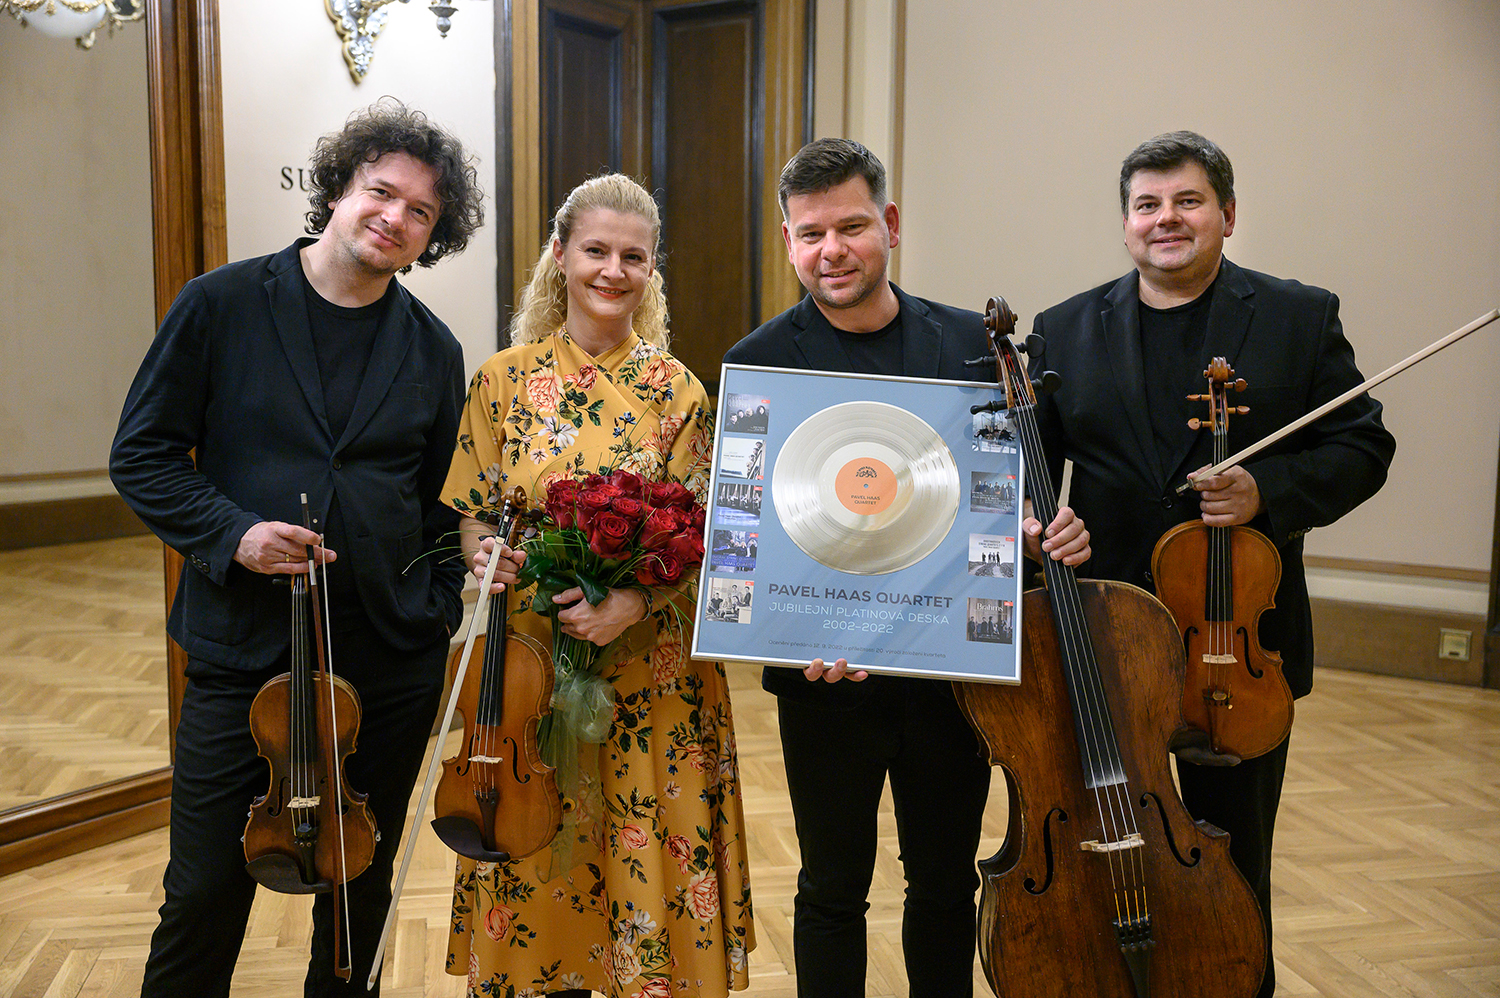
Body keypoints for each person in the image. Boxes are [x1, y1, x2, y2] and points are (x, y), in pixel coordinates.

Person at [109, 101, 484, 996]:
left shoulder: (434, 348)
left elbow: (444, 507)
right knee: (203, 891)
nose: (394, 218)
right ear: (340, 188)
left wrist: (435, 612)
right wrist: (233, 534)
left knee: (357, 894)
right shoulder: (221, 304)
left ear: (433, 235)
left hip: (388, 659)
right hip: (245, 654)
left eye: (421, 211)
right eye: (381, 192)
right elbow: (141, 456)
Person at [1030, 130, 1396, 998]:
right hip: (1107, 639)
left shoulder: (1299, 317)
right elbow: (1024, 474)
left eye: (1187, 201)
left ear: (1227, 215)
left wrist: (1268, 490)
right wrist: (1038, 529)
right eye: (1147, 205)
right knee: (1106, 851)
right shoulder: (1064, 329)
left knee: (1232, 863)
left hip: (1234, 650)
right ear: (1126, 223)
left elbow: (1364, 447)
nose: (1166, 219)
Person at [722, 138, 1089, 998]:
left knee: (945, 884)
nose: (832, 250)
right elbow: (745, 532)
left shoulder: (976, 346)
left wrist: (1041, 532)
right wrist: (784, 629)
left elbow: (1013, 500)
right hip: (823, 678)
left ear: (889, 224)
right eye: (811, 233)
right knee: (830, 889)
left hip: (949, 679)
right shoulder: (757, 360)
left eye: (851, 226)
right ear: (788, 242)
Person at [442, 173, 754, 998]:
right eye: (595, 251)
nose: (614, 271)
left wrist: (633, 602)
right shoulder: (502, 380)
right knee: (536, 844)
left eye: (634, 257)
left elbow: (710, 542)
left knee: (645, 846)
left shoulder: (680, 390)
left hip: (652, 669)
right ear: (560, 255)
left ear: (652, 270)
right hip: (532, 670)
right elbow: (475, 516)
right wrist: (484, 556)